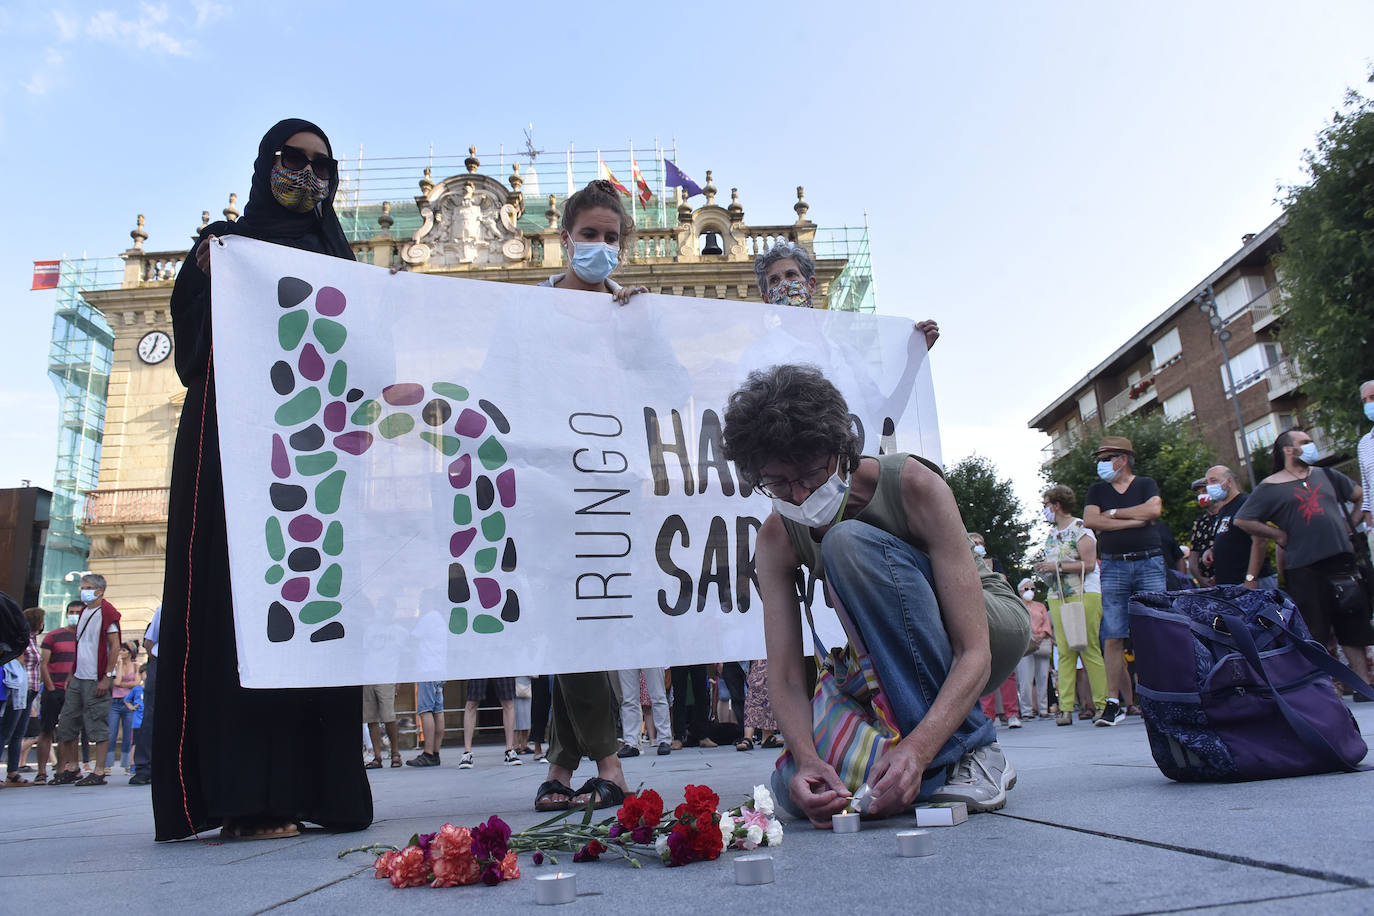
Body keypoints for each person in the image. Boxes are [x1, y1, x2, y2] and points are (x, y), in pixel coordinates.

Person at [157, 119, 372, 840]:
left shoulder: (339, 255)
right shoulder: (224, 246)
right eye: (292, 158)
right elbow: (190, 358)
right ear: (264, 163)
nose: (306, 173)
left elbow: (368, 359)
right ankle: (242, 796)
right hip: (231, 453)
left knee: (309, 609)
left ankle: (321, 789)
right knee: (234, 610)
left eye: (320, 163)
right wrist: (205, 280)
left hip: (312, 463)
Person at [722, 365, 1029, 823]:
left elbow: (974, 650)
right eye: (779, 483)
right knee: (790, 791)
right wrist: (806, 759)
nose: (801, 494)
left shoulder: (913, 484)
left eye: (811, 473)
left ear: (840, 450)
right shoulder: (775, 539)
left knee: (845, 543)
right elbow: (785, 675)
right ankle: (926, 765)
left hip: (986, 626)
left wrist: (918, 750)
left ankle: (973, 750)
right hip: (896, 656)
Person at [532, 181, 644, 813]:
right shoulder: (532, 308)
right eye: (589, 234)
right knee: (573, 620)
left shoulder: (627, 310)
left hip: (609, 482)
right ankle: (607, 765)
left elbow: (670, 382)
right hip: (549, 483)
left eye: (611, 237)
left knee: (583, 624)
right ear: (565, 237)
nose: (600, 246)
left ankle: (559, 767)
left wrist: (644, 326)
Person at [1235, 429, 1372, 687]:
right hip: (1304, 566)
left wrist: (1349, 527)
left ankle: (1362, 683)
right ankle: (1324, 688)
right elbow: (1243, 519)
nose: (1311, 446)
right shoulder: (1270, 486)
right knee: (1315, 628)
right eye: (1305, 442)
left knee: (1352, 624)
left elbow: (1358, 496)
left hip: (1341, 562)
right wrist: (1276, 533)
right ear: (1289, 450)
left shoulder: (1327, 475)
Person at [1083, 436, 1164, 725]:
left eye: (1106, 458)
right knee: (1113, 633)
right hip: (1115, 566)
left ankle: (1160, 693)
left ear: (1123, 458)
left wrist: (1115, 514)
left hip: (1149, 561)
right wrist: (1135, 519)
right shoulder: (1097, 490)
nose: (1101, 464)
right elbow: (1092, 521)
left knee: (1156, 628)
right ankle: (1113, 702)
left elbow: (1154, 510)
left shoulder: (1145, 484)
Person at [1035, 485, 1109, 725]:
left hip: (1084, 594)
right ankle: (1066, 708)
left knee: (1088, 648)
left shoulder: (1080, 528)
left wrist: (1056, 567)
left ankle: (1102, 704)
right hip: (1058, 595)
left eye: (1046, 505)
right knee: (1064, 651)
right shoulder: (1051, 534)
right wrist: (1045, 570)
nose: (1044, 510)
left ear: (1057, 505)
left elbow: (1089, 564)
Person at [53, 573, 121, 786]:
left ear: (100, 590)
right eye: (83, 587)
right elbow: (81, 645)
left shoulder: (107, 613)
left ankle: (99, 771)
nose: (83, 590)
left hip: (95, 677)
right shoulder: (83, 611)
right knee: (67, 723)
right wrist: (72, 673)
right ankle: (72, 768)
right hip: (79, 676)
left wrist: (106, 677)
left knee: (96, 723)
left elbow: (115, 646)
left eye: (88, 587)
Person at [1200, 466, 1276, 589]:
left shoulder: (1245, 503)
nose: (1209, 487)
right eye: (1207, 482)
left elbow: (1260, 541)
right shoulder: (1223, 509)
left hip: (1252, 584)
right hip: (1231, 585)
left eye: (1213, 481)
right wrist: (1213, 551)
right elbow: (1233, 538)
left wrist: (1251, 578)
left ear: (1229, 481)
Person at [36, 601, 81, 784]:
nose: (74, 615)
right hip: (54, 689)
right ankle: (41, 772)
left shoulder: (84, 638)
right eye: (71, 612)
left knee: (68, 732)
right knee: (46, 730)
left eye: (77, 612)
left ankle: (62, 770)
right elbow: (43, 664)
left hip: (74, 692)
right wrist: (51, 687)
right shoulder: (53, 636)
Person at [459, 678, 522, 768]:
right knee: (471, 702)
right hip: (479, 665)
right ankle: (467, 752)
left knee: (508, 702)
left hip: (502, 665)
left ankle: (509, 749)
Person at [128, 605, 159, 785]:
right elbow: (149, 642)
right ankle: (144, 767)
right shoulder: (163, 608)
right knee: (151, 716)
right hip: (161, 663)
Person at [1014, 580, 1053, 720]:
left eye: (1032, 588)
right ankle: (1026, 711)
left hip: (1041, 644)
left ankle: (1043, 709)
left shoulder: (1040, 606)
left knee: (1043, 677)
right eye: (1026, 588)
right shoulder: (1016, 605)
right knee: (1025, 679)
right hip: (1025, 644)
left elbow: (1046, 623)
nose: (1030, 590)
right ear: (1020, 591)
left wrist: (1042, 634)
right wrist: (1029, 635)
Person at [616, 667, 671, 757]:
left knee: (658, 695)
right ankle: (631, 742)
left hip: (650, 653)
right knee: (628, 699)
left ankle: (664, 739)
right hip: (625, 654)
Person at [103, 643, 140, 772]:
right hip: (116, 702)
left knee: (128, 734)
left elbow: (136, 683)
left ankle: (127, 764)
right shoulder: (116, 665)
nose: (120, 652)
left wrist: (123, 685)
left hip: (129, 703)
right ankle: (107, 764)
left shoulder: (136, 666)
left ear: (129, 652)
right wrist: (119, 665)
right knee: (111, 733)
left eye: (123, 650)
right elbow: (116, 682)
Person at [1187, 477, 1220, 587]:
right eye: (1198, 493)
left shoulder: (1228, 515)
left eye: (1204, 491)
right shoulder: (1200, 522)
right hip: (1209, 583)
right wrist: (1200, 579)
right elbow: (1194, 554)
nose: (1201, 495)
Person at [407, 680, 446, 767]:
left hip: (426, 672)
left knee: (425, 710)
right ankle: (435, 753)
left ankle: (428, 753)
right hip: (440, 673)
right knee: (438, 710)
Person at [363, 684, 401, 769]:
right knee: (371, 718)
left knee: (389, 716)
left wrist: (398, 683)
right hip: (367, 681)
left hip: (385, 679)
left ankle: (395, 753)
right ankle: (377, 757)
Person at [1360, 379, 1374, 529]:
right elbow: (1367, 488)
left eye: (1373, 397)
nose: (1369, 404)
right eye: (1364, 401)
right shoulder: (1365, 443)